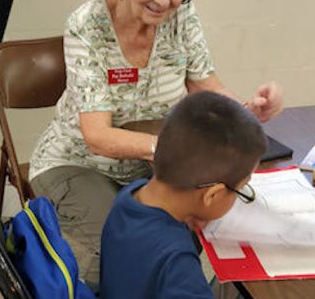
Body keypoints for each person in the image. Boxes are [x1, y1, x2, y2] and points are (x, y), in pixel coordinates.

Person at [29, 0, 283, 283]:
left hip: (151, 163)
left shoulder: (181, 13)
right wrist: (170, 150)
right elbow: (98, 137)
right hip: (79, 162)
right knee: (118, 250)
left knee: (186, 230)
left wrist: (246, 111)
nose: (165, 2)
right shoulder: (88, 24)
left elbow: (205, 85)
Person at [100, 91, 267, 298]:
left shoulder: (131, 195)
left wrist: (190, 215)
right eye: (240, 189)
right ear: (212, 195)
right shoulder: (178, 265)